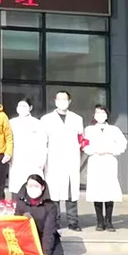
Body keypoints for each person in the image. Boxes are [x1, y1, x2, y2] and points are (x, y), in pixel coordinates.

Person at [41, 91, 84, 231]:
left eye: (64, 99)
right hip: (54, 160)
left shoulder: (77, 119)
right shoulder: (46, 119)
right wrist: (43, 159)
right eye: (59, 99)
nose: (62, 102)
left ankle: (73, 221)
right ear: (55, 101)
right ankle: (55, 220)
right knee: (55, 193)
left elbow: (81, 139)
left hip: (71, 159)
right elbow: (42, 142)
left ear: (69, 102)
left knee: (71, 193)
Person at [83, 105, 128, 231]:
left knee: (109, 192)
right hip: (95, 160)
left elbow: (122, 143)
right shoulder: (89, 130)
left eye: (102, 112)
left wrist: (111, 150)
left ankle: (109, 221)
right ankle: (99, 221)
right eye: (97, 112)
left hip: (109, 161)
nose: (100, 115)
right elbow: (84, 144)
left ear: (107, 115)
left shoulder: (114, 130)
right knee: (97, 192)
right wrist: (95, 150)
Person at [15, 174, 63, 255]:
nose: (32, 189)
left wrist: (47, 252)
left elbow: (49, 230)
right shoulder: (21, 203)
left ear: (42, 187)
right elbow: (16, 225)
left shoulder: (50, 206)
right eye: (30, 186)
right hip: (28, 238)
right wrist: (23, 219)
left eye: (36, 186)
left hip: (44, 235)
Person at [9, 98, 47, 200]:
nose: (22, 108)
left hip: (33, 159)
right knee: (16, 186)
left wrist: (42, 159)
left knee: (32, 185)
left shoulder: (37, 123)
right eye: (20, 106)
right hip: (16, 158)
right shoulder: (11, 123)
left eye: (24, 106)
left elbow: (42, 142)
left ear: (30, 108)